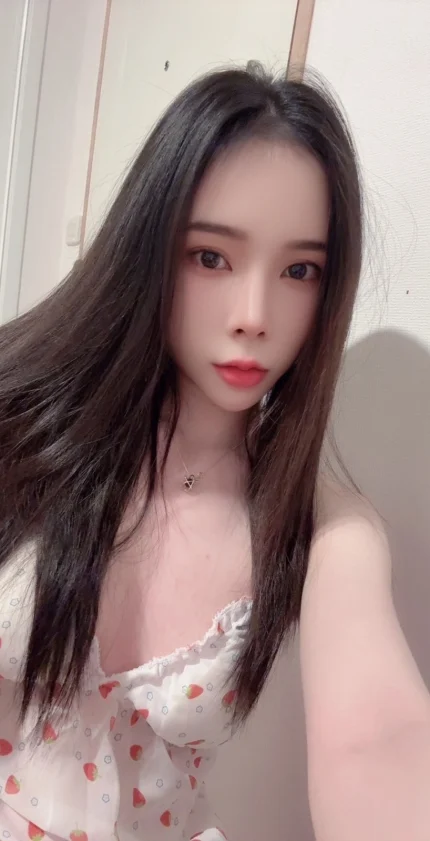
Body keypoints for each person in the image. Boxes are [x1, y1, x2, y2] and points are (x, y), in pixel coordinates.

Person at [0, 64, 429, 841]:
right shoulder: (24, 410)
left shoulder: (321, 523)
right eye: (211, 256)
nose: (254, 315)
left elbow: (378, 738)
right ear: (149, 248)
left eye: (299, 270)